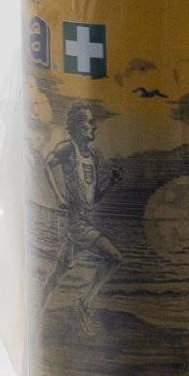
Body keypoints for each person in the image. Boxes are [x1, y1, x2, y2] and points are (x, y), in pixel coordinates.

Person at [39, 103, 121, 337]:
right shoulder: (68, 148)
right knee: (114, 257)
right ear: (76, 126)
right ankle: (83, 303)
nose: (93, 126)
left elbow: (93, 199)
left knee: (59, 271)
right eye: (88, 122)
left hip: (85, 219)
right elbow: (47, 164)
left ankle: (37, 310)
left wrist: (111, 183)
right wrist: (58, 197)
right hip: (77, 223)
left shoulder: (93, 157)